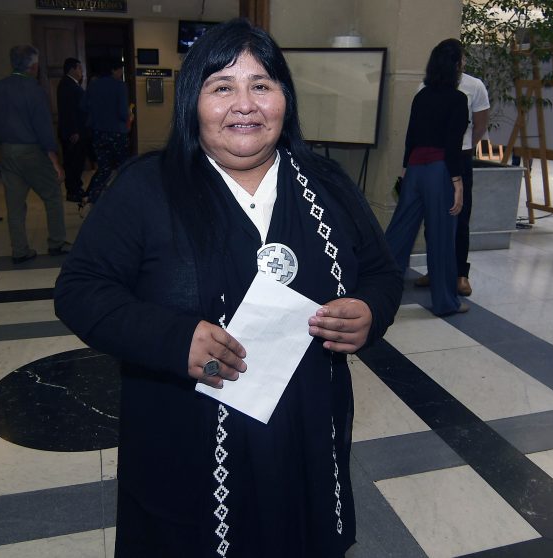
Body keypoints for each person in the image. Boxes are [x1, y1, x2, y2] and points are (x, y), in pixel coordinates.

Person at [54, 18, 402, 557]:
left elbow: (382, 274)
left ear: (284, 98)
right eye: (222, 87)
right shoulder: (146, 188)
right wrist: (173, 338)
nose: (245, 104)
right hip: (185, 442)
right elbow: (79, 290)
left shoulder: (328, 184)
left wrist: (370, 312)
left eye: (261, 85)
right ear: (193, 101)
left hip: (304, 433)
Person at [385, 38, 469, 316]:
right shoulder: (458, 99)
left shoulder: (422, 96)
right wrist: (457, 183)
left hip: (415, 170)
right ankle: (445, 302)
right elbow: (452, 144)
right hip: (439, 170)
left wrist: (406, 168)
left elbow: (411, 136)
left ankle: (378, 293)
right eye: (462, 59)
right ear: (456, 65)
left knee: (398, 235)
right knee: (442, 236)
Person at [0, 45, 70, 264]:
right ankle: (57, 243)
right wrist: (55, 162)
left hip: (7, 151)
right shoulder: (34, 90)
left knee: (14, 205)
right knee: (52, 194)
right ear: (33, 66)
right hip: (31, 151)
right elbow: (43, 129)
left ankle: (20, 249)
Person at [414, 53, 489, 297]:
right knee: (432, 216)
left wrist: (464, 148)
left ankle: (460, 274)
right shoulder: (425, 88)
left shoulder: (473, 86)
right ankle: (434, 270)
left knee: (460, 217)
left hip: (461, 156)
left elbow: (480, 125)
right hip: (434, 158)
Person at [82, 58, 130, 205]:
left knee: (104, 168)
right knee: (123, 167)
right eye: (120, 69)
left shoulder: (93, 85)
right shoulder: (119, 86)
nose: (121, 72)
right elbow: (123, 113)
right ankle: (124, 198)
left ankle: (91, 196)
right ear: (114, 70)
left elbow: (83, 106)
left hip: (98, 132)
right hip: (116, 132)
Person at [57, 57, 88, 203]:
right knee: (72, 162)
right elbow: (68, 111)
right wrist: (74, 131)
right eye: (80, 68)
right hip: (73, 132)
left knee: (77, 161)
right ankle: (72, 190)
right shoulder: (67, 85)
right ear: (72, 69)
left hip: (78, 130)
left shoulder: (71, 84)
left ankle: (76, 186)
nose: (82, 72)